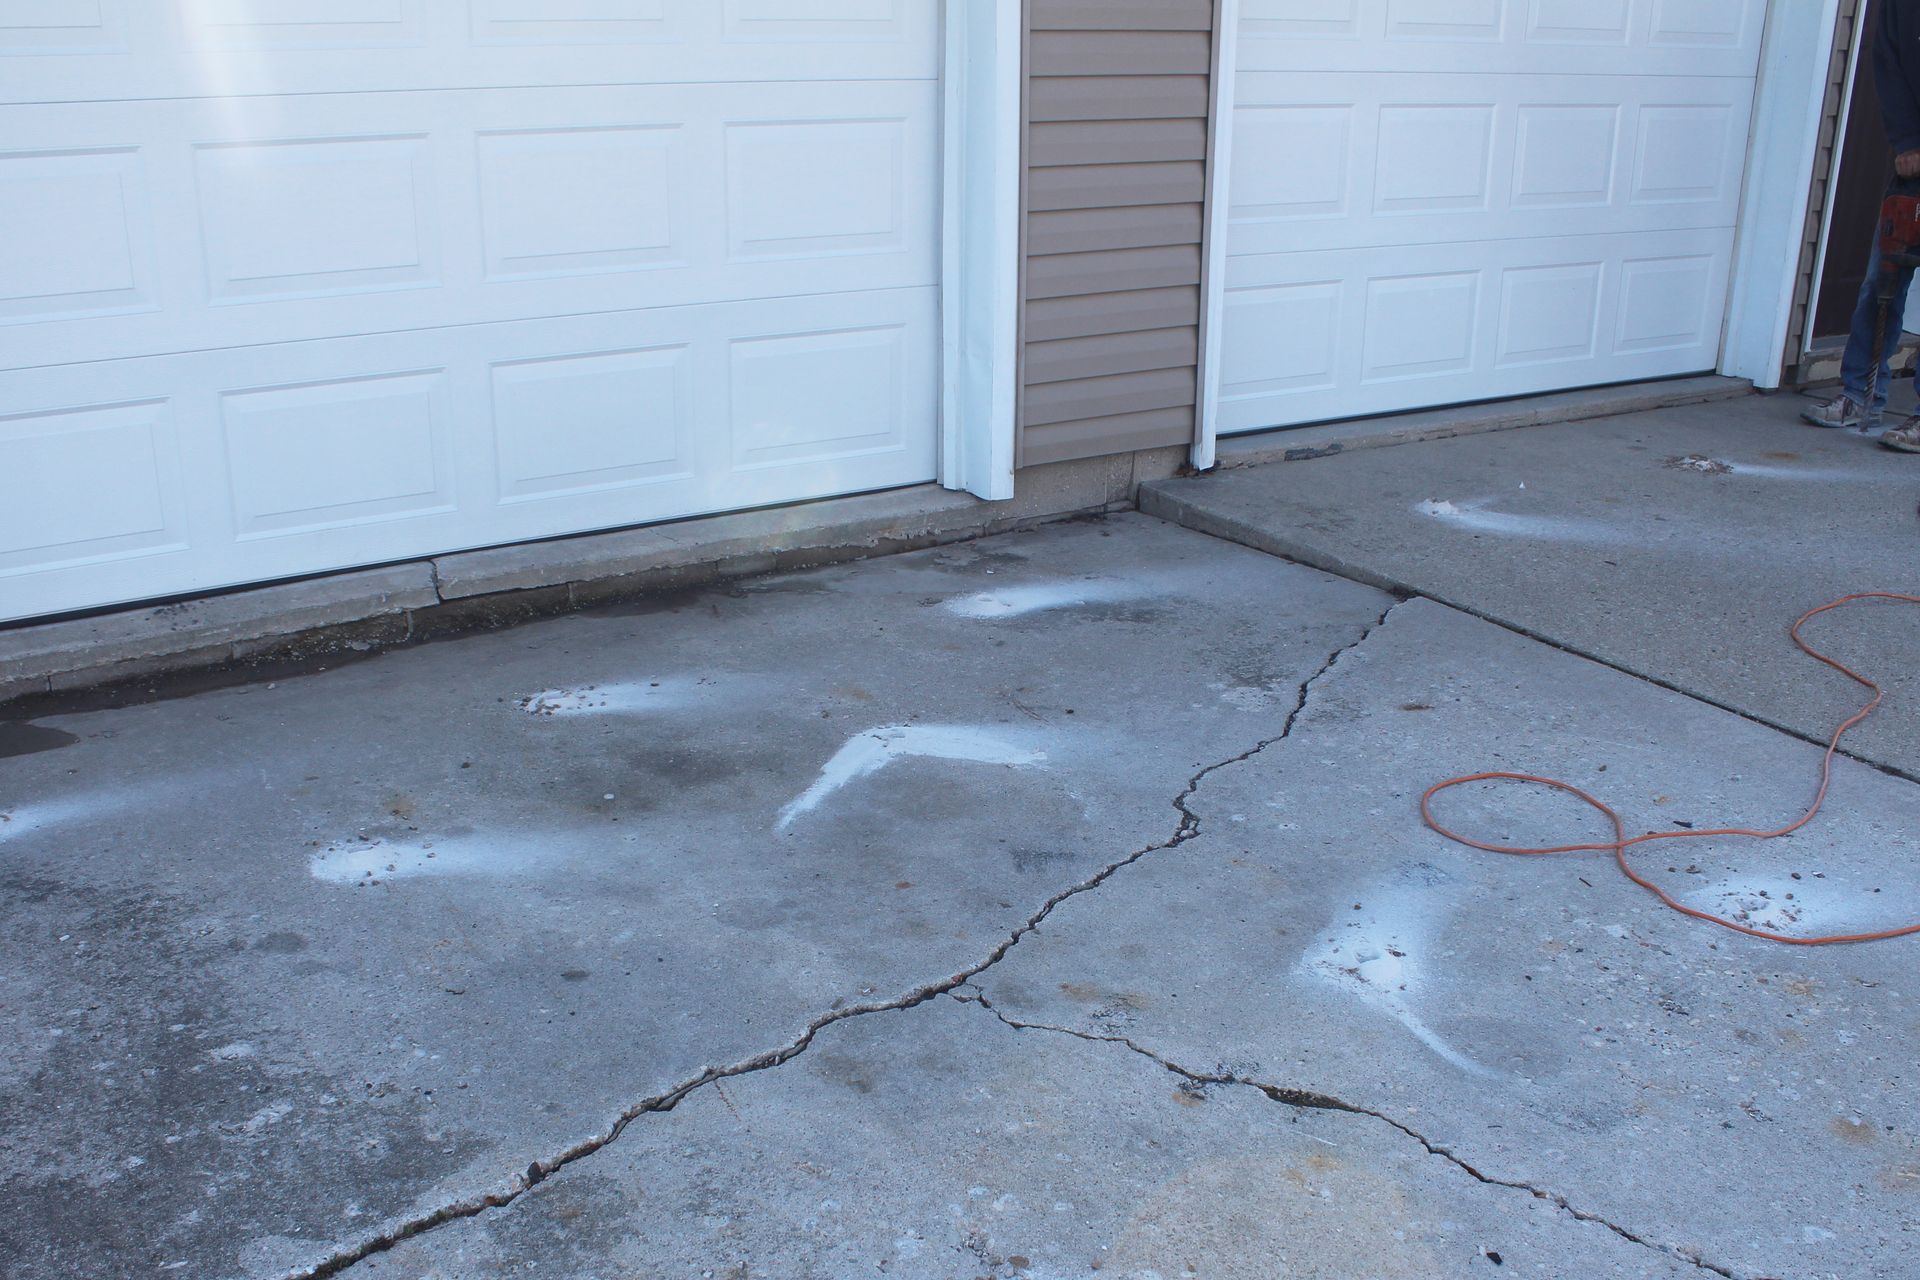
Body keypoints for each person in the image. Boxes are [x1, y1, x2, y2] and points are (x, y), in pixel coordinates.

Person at [1804, 0, 1920, 452]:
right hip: (1912, 168)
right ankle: (1860, 395)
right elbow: (1887, 59)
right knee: (1882, 282)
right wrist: (1907, 139)